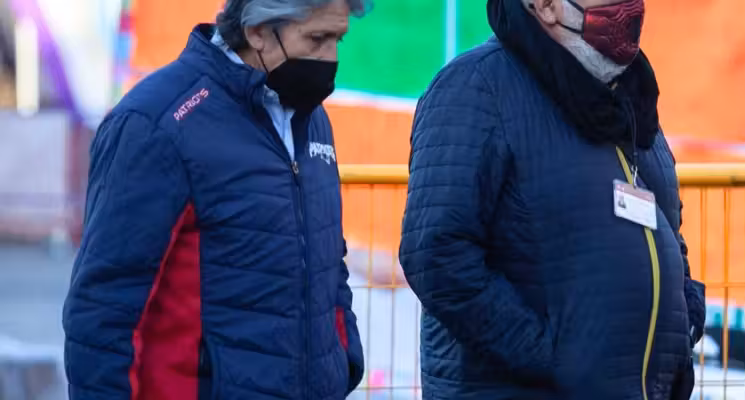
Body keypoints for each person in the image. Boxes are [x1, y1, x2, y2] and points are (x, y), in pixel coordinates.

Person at [61, 0, 372, 398]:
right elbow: (104, 310)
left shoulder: (309, 118)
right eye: (317, 39)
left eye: (338, 39)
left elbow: (327, 257)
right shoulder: (156, 122)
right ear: (257, 31)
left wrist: (344, 361)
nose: (330, 58)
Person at [398, 0, 706, 398]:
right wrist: (554, 357)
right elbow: (437, 255)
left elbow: (666, 232)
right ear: (544, 5)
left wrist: (683, 321)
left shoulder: (632, 102)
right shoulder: (476, 87)